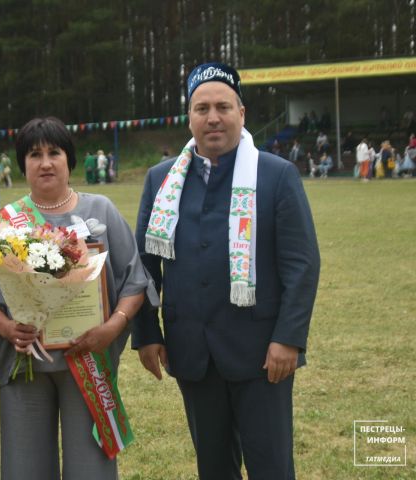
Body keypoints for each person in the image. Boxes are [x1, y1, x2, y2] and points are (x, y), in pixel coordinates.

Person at [133, 62, 320, 480]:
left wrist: (288, 339)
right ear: (189, 118)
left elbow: (302, 264)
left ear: (242, 113)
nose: (212, 117)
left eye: (223, 106)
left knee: (271, 466)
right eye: (202, 108)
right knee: (213, 468)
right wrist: (147, 333)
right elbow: (144, 265)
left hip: (262, 352)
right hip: (192, 350)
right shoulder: (160, 180)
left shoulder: (277, 175)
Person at [0, 116, 150, 480]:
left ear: (69, 160)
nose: (45, 162)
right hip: (26, 364)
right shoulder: (4, 224)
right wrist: (8, 328)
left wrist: (113, 327)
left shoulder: (101, 210)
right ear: (22, 163)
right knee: (25, 467)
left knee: (92, 468)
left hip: (87, 360)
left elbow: (135, 280)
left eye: (54, 152)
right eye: (34, 154)